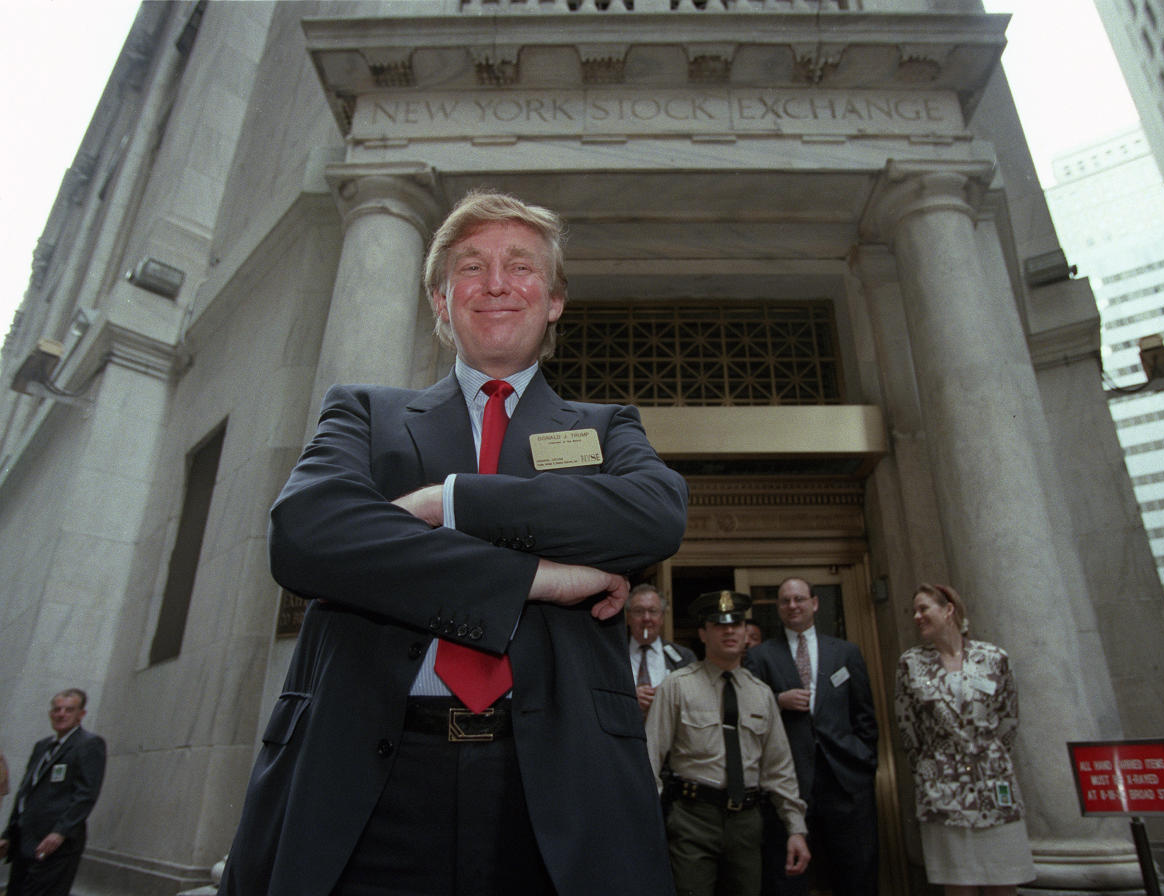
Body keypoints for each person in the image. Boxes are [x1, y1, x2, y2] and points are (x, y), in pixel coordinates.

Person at [219, 190, 688, 896]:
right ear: (440, 301)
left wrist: (451, 502)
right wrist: (539, 578)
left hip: (556, 789)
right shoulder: (365, 413)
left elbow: (652, 515)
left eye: (520, 266)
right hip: (366, 781)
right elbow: (306, 535)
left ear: (555, 299)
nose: (496, 283)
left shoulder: (604, 429)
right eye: (471, 267)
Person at [647, 590, 811, 896]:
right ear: (703, 633)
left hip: (746, 822)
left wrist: (796, 828)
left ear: (746, 634)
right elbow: (650, 757)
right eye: (720, 625)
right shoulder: (677, 686)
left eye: (736, 624)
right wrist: (645, 821)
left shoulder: (761, 693)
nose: (730, 631)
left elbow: (779, 768)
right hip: (692, 818)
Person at [894, 583, 1035, 896]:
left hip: (994, 784)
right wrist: (932, 768)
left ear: (948, 610)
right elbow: (908, 728)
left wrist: (986, 756)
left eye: (923, 608)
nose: (917, 616)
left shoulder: (994, 657)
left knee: (1002, 881)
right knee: (958, 883)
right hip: (943, 787)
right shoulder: (911, 664)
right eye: (914, 611)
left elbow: (1008, 720)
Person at [745, 576, 879, 896]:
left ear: (814, 604)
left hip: (845, 784)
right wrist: (778, 701)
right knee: (788, 878)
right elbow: (749, 715)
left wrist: (863, 762)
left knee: (855, 873)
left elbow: (865, 717)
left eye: (799, 599)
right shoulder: (762, 656)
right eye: (785, 601)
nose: (792, 606)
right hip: (789, 785)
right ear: (778, 608)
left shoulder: (846, 652)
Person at [0, 689, 107, 896]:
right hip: (26, 840)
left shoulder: (89, 744)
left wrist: (60, 832)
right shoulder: (42, 747)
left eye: (69, 710)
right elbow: (26, 793)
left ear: (81, 715)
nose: (61, 714)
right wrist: (9, 833)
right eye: (57, 709)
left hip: (55, 843)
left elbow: (86, 794)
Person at [628, 583, 696, 715]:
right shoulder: (612, 656)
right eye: (639, 611)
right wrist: (628, 697)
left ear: (662, 617)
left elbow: (696, 701)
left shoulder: (684, 657)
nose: (646, 618)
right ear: (628, 617)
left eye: (653, 611)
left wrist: (668, 696)